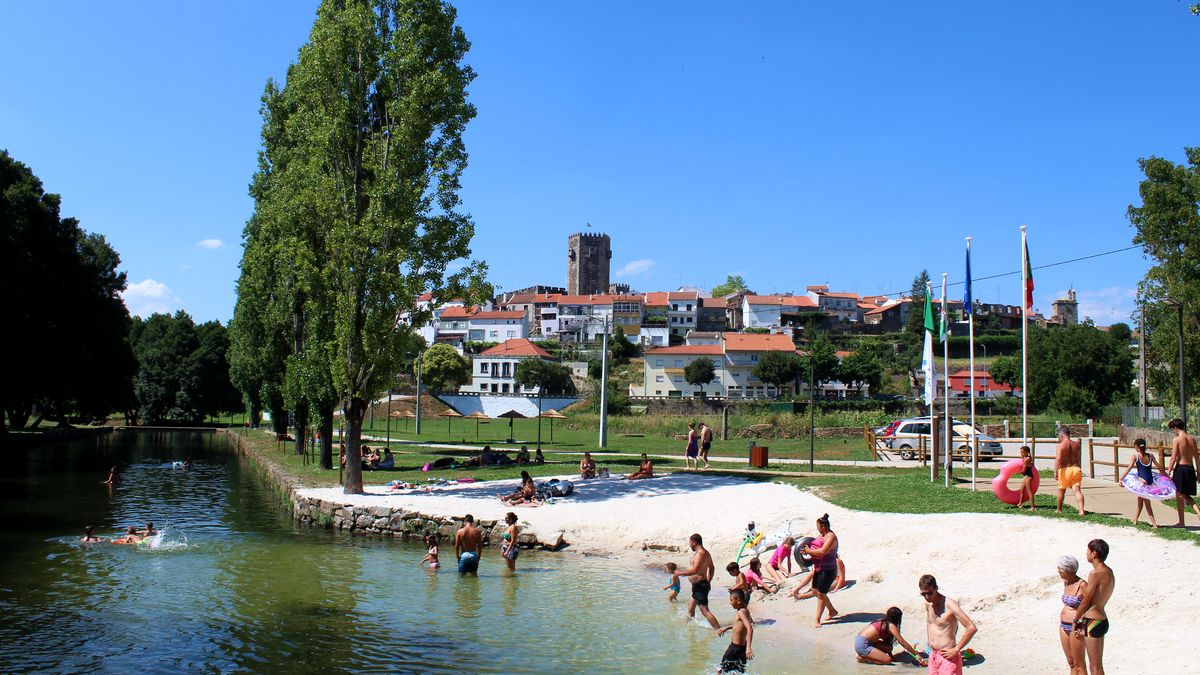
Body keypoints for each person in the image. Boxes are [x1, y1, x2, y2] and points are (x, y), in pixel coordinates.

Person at [920, 574, 977, 675]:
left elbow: (971, 628)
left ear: (936, 588)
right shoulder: (928, 604)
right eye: (923, 594)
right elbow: (930, 622)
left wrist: (956, 649)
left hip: (948, 657)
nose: (927, 597)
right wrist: (929, 641)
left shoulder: (950, 605)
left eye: (929, 593)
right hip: (933, 655)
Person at [1073, 539, 1114, 675]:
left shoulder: (1095, 573)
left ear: (1094, 553)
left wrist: (1076, 619)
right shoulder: (1109, 571)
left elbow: (1086, 601)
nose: (1086, 553)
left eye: (1088, 551)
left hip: (1092, 621)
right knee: (1098, 667)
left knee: (1094, 668)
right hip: (1102, 619)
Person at [672, 533, 720, 629]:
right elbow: (712, 568)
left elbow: (695, 570)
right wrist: (708, 581)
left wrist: (680, 573)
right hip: (699, 585)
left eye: (690, 543)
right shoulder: (705, 553)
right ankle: (689, 630)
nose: (690, 545)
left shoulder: (701, 553)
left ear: (694, 542)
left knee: (704, 610)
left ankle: (718, 630)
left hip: (700, 585)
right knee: (690, 608)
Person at [854, 606, 925, 666]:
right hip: (863, 645)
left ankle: (866, 655)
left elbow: (887, 642)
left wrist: (892, 656)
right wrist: (917, 655)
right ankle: (863, 658)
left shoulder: (883, 622)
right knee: (887, 660)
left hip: (860, 641)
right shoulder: (890, 625)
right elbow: (902, 642)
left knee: (889, 648)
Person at [803, 515, 839, 627]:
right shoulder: (821, 535)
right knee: (815, 590)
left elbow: (823, 551)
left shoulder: (831, 537)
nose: (817, 528)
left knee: (821, 594)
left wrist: (809, 552)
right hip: (819, 567)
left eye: (818, 526)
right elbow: (815, 548)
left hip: (828, 570)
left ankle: (817, 620)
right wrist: (806, 551)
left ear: (823, 526)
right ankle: (832, 611)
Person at [1120, 438, 1165, 528]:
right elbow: (1159, 467)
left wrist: (1121, 478)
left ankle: (1154, 524)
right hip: (1150, 481)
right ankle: (1135, 519)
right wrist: (1166, 476)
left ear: (1137, 447)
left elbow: (1129, 468)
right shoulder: (1150, 455)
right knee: (1140, 500)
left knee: (1147, 504)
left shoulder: (1135, 456)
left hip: (1142, 482)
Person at [1056, 555, 1087, 675]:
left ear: (1067, 570)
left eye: (1060, 569)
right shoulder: (1066, 582)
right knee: (1071, 662)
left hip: (1076, 627)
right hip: (1063, 626)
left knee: (1080, 664)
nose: (1058, 571)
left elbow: (1091, 606)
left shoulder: (1082, 585)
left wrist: (1083, 625)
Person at [1166, 418, 1200, 527]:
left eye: (1172, 429)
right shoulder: (1192, 439)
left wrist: (1168, 472)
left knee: (1179, 495)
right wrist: (1199, 473)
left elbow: (1173, 457)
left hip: (1181, 468)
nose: (1173, 432)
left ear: (1175, 428)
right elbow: (1197, 457)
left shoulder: (1177, 440)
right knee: (1186, 495)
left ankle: (1181, 522)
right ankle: (1198, 511)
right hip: (1190, 468)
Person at [716, 589, 754, 673]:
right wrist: (727, 628)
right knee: (738, 671)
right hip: (741, 648)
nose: (730, 603)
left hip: (735, 648)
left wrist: (749, 648)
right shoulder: (745, 610)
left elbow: (749, 628)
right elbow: (740, 625)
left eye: (731, 600)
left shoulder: (741, 612)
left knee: (719, 670)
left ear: (738, 600)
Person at [1055, 426, 1086, 515]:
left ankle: (1059, 509)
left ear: (1061, 435)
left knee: (1061, 490)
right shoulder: (1077, 444)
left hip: (1065, 469)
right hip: (1076, 469)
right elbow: (1078, 458)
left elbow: (1059, 459)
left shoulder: (1061, 445)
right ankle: (1081, 510)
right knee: (1077, 490)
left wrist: (1055, 470)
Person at [1017, 445, 1037, 510]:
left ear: (1027, 452)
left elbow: (1023, 470)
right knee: (1022, 490)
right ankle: (1020, 503)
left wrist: (1017, 471)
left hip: (1028, 477)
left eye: (1023, 452)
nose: (1021, 453)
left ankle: (1032, 507)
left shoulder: (1027, 459)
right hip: (1026, 476)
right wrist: (1022, 457)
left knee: (1029, 492)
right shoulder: (1026, 458)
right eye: (1021, 452)